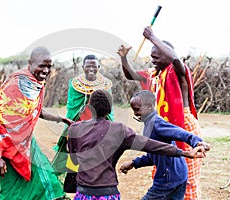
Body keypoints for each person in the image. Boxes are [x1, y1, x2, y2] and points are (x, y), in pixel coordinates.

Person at [0, 46, 73, 200]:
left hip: (27, 144)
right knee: (13, 189)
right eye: (42, 65)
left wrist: (60, 118)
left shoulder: (35, 83)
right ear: (30, 63)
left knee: (48, 181)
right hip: (6, 147)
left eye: (50, 66)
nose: (46, 70)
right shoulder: (17, 84)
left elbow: (35, 109)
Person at [68, 89, 207, 200]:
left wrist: (193, 144)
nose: (136, 114)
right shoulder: (121, 130)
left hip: (84, 192)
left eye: (137, 109)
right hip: (109, 193)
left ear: (89, 107)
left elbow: (73, 160)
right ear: (110, 110)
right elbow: (153, 148)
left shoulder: (75, 129)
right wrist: (184, 153)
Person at [118, 27, 203, 199]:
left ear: (167, 54)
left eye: (157, 56)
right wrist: (124, 58)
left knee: (188, 176)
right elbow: (131, 75)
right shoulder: (153, 75)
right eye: (152, 57)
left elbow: (175, 58)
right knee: (165, 166)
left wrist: (152, 37)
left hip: (183, 124)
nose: (153, 60)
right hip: (161, 126)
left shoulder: (177, 70)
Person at [120, 90, 210, 200]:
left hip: (168, 178)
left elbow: (180, 133)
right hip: (179, 174)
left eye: (137, 110)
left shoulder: (156, 123)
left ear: (149, 106)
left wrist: (197, 142)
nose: (135, 114)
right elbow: (154, 156)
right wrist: (133, 163)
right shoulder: (149, 124)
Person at [52, 55, 114, 181]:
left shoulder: (106, 84)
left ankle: (98, 178)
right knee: (76, 153)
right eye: (88, 65)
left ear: (98, 67)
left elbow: (109, 107)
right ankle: (74, 180)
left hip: (99, 124)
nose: (91, 68)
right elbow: (72, 106)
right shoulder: (74, 84)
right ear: (83, 67)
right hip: (80, 123)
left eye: (94, 65)